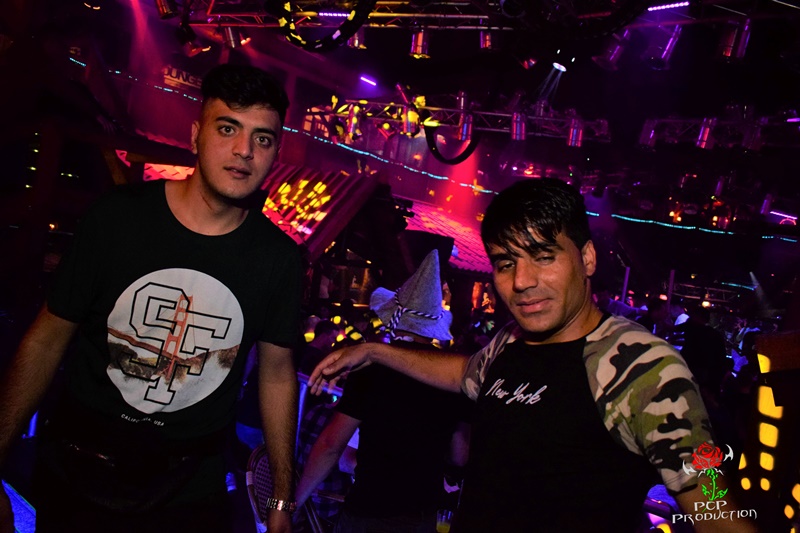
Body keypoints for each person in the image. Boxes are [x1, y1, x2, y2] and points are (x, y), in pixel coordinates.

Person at [308, 179, 758, 532]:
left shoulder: (644, 365)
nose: (521, 281)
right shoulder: (509, 343)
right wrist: (375, 351)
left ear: (586, 258)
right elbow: (463, 372)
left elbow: (711, 501)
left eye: (543, 256)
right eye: (506, 263)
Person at [0, 63, 302, 533]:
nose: (244, 150)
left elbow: (278, 374)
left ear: (275, 151)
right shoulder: (117, 220)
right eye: (228, 129)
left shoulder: (279, 260)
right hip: (80, 472)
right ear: (196, 135)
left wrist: (281, 496)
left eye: (262, 138)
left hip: (190, 488)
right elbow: (47, 338)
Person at [297, 250, 472, 533]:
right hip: (421, 517)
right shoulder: (452, 376)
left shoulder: (372, 366)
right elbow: (460, 455)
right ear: (433, 327)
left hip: (369, 513)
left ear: (394, 318)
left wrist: (294, 503)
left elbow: (331, 444)